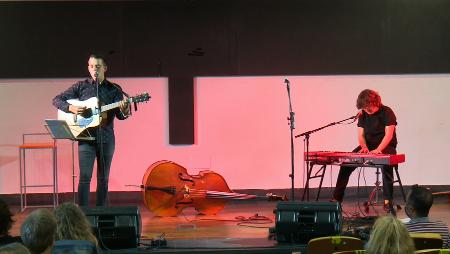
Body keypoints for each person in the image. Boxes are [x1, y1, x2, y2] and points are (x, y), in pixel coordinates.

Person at [53, 54, 131, 207]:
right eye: (91, 66)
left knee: (103, 178)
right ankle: (83, 214)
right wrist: (72, 108)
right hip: (85, 139)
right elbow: (56, 100)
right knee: (85, 177)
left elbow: (121, 116)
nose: (94, 69)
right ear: (88, 68)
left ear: (105, 68)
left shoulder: (114, 89)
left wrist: (126, 108)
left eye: (98, 66)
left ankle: (101, 212)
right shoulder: (81, 86)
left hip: (106, 139)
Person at [332, 89, 398, 211]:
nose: (367, 110)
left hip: (386, 145)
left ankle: (388, 201)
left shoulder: (387, 112)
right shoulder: (363, 114)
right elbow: (361, 135)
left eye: (369, 107)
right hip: (369, 146)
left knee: (386, 165)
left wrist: (379, 149)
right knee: (345, 165)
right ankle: (337, 199)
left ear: (376, 102)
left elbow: (388, 135)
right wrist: (364, 147)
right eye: (365, 108)